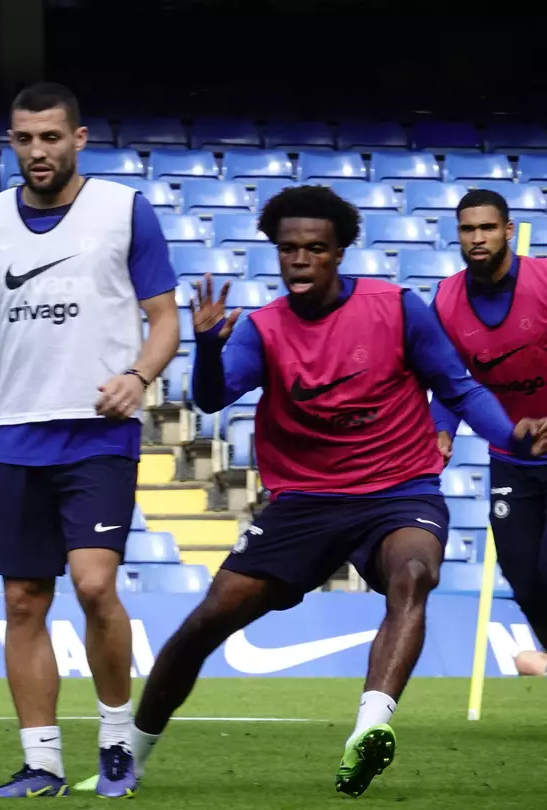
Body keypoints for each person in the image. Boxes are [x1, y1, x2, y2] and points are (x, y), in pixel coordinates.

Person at [126, 185, 547, 799]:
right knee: (207, 620)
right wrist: (209, 348)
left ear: (341, 251)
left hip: (399, 491)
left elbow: (457, 388)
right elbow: (213, 397)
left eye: (315, 248)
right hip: (306, 503)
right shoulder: (263, 329)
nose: (299, 259)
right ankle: (128, 757)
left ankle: (368, 731)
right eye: (288, 249)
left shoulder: (398, 307)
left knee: (414, 573)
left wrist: (509, 432)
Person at [0, 81, 180, 799]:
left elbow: (165, 319)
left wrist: (139, 377)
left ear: (77, 139)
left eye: (51, 137)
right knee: (23, 601)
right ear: (11, 142)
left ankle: (117, 741)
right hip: (19, 434)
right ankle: (42, 762)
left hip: (98, 432)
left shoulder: (123, 211)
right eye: (24, 139)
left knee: (93, 585)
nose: (37, 151)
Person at [432, 189, 547, 652]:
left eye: (487, 227)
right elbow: (447, 380)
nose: (477, 238)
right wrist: (440, 431)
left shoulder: (543, 281)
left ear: (508, 230)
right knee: (525, 582)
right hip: (511, 461)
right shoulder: (446, 299)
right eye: (467, 229)